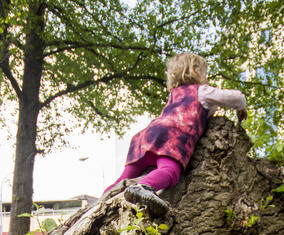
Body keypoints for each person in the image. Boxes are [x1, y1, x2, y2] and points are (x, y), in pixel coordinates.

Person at [104, 52, 247, 217]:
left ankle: (101, 201)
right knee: (170, 172)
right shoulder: (202, 91)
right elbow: (237, 97)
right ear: (198, 72)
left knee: (122, 179)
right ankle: (142, 187)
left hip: (144, 139)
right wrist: (241, 108)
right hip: (171, 140)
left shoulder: (174, 94)